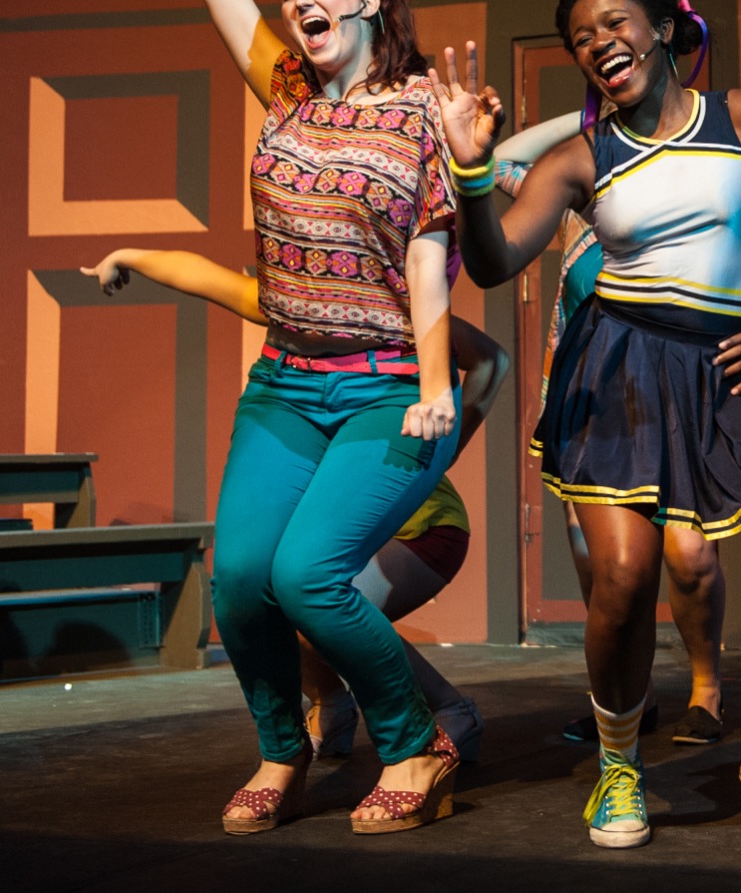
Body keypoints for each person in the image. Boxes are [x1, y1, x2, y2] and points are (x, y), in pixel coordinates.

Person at [435, 0, 741, 849]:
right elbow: (491, 262)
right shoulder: (581, 158)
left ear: (667, 29)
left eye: (614, 23)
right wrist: (471, 170)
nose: (598, 43)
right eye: (580, 37)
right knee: (625, 576)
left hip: (736, 367)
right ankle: (618, 766)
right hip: (623, 370)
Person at [145, 0, 465, 834]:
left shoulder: (423, 111)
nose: (298, 3)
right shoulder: (286, 88)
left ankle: (416, 743)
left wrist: (435, 385)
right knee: (240, 579)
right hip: (286, 382)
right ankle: (282, 748)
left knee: (308, 575)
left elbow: (430, 257)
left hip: (386, 386)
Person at [78, 248, 501, 762]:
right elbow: (207, 277)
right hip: (341, 531)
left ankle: (450, 709)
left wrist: (442, 451)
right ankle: (332, 705)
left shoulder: (392, 314)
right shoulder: (295, 309)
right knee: (259, 589)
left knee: (312, 600)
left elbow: (491, 359)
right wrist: (127, 256)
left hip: (422, 528)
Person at [491, 109, 741, 747]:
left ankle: (706, 689)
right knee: (604, 567)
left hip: (680, 403)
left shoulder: (684, 213)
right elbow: (501, 160)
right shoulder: (574, 207)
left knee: (690, 556)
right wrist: (589, 119)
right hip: (595, 410)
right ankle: (627, 698)